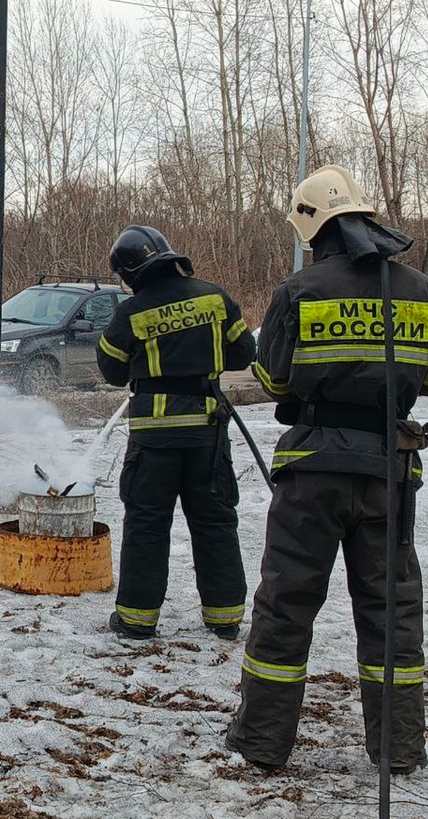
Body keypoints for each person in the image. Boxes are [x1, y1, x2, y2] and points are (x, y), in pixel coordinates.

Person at [226, 166, 428, 774]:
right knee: (392, 612)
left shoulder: (297, 291)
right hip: (390, 473)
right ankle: (398, 749)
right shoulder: (419, 288)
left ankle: (262, 742)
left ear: (311, 226)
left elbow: (272, 379)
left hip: (312, 473)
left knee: (286, 603)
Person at [96, 226, 257, 640]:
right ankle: (225, 618)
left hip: (153, 439)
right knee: (215, 521)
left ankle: (136, 619)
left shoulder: (131, 313)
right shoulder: (214, 297)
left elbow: (112, 370)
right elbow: (244, 352)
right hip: (207, 432)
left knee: (147, 524)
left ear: (130, 273)